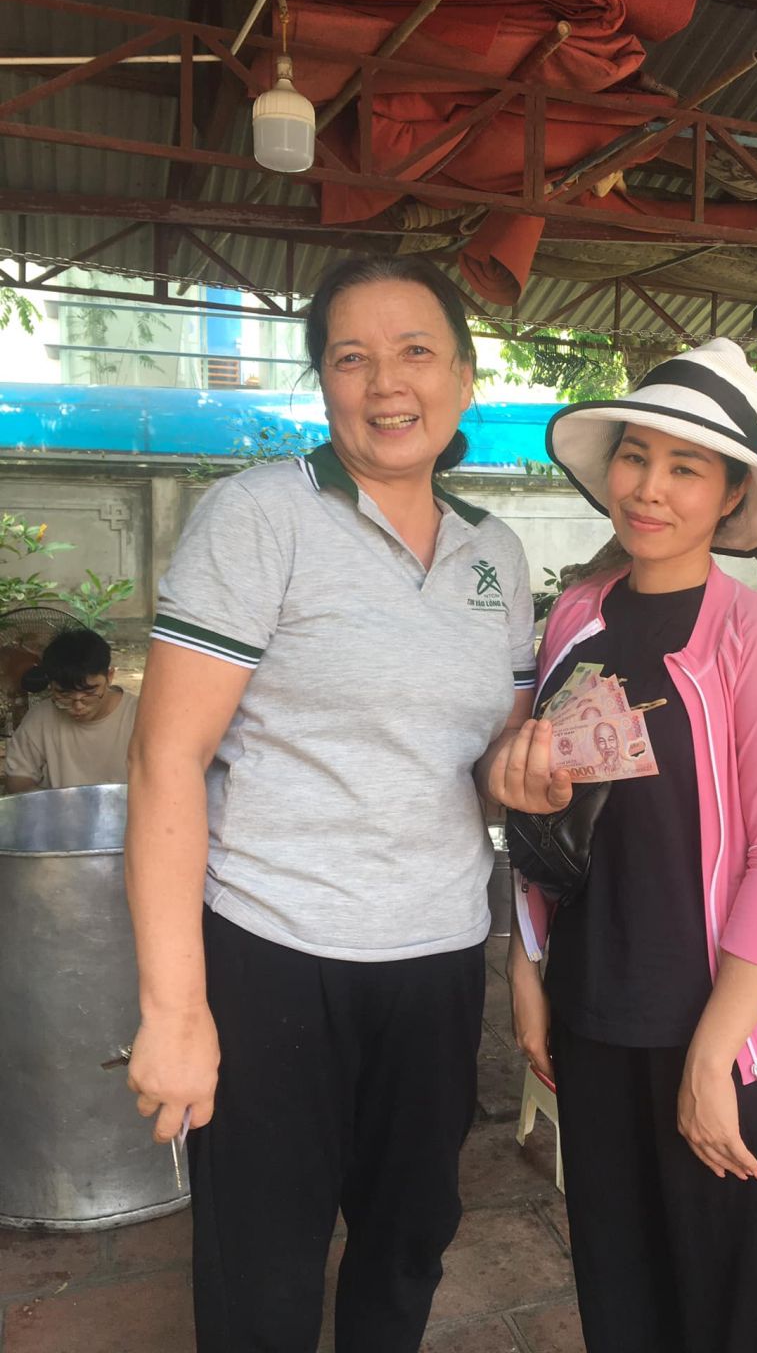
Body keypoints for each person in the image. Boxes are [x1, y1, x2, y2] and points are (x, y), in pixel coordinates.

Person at [124, 254, 538, 1353]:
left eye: (416, 352)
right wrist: (175, 1011)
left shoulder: (496, 553)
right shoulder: (262, 517)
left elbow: (484, 761)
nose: (385, 382)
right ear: (324, 384)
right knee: (263, 1272)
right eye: (351, 357)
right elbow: (166, 760)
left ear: (463, 378)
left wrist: (531, 769)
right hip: (275, 950)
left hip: (438, 955)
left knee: (408, 1246)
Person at [489, 339, 757, 1353]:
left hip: (729, 1037)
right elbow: (547, 815)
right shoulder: (576, 620)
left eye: (686, 468)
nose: (649, 488)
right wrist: (527, 964)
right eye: (636, 457)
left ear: (731, 496)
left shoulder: (754, 641)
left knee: (736, 1313)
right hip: (597, 1015)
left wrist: (713, 1056)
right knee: (622, 1297)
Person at [3, 627, 138, 793]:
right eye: (64, 694)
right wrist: (50, 803)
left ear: (110, 676)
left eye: (90, 692)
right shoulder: (40, 719)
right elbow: (18, 778)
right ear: (50, 684)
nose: (78, 706)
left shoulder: (138, 717)